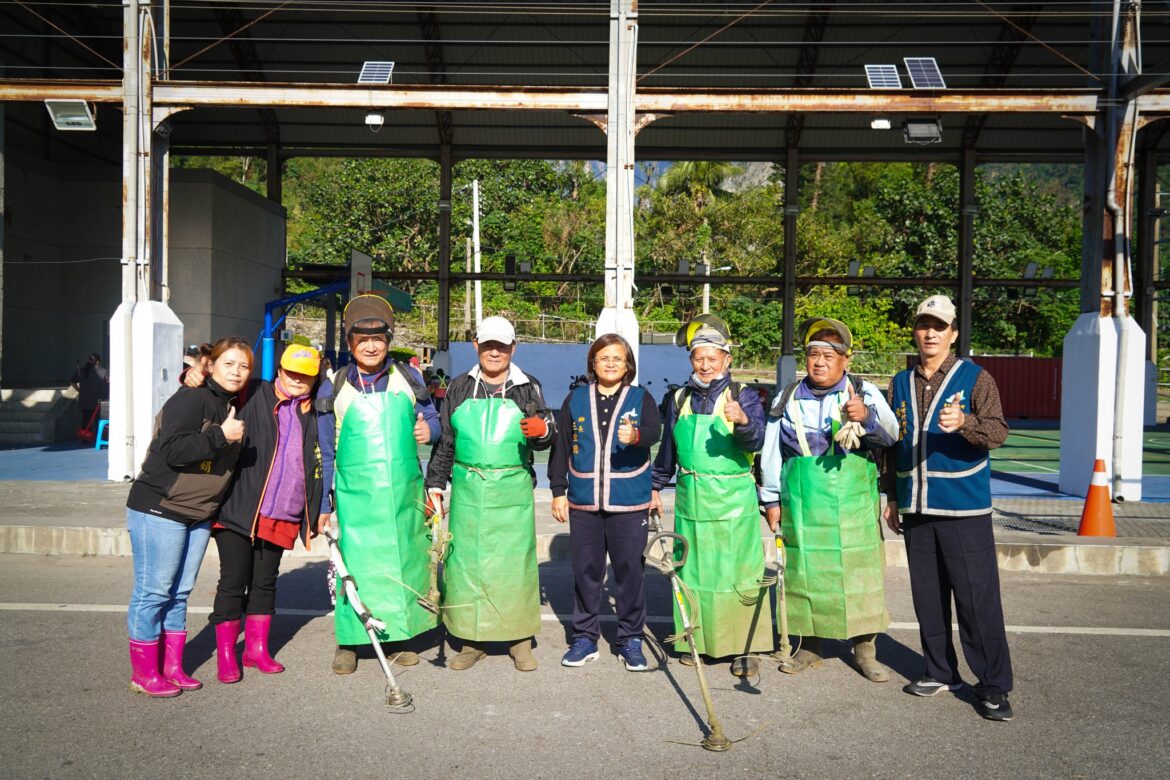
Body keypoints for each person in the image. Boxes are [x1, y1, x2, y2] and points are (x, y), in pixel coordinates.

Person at [882, 294, 1014, 721]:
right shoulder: (899, 383)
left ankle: (993, 685)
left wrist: (966, 424)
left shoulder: (976, 378)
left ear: (953, 333)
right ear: (915, 331)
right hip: (917, 507)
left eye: (939, 326)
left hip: (964, 508)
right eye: (924, 325)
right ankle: (940, 670)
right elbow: (893, 444)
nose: (930, 333)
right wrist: (892, 497)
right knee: (928, 597)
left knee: (977, 602)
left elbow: (998, 431)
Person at [759, 318, 898, 681]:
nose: (819, 362)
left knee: (860, 571)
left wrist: (865, 418)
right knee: (805, 571)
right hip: (803, 501)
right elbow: (772, 452)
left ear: (845, 360)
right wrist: (771, 499)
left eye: (828, 355)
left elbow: (893, 436)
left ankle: (865, 649)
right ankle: (811, 646)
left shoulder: (864, 392)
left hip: (853, 501)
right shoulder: (787, 396)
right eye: (813, 354)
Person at [317, 294, 441, 675]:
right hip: (355, 498)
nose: (371, 345)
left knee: (404, 562)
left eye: (378, 338)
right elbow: (324, 449)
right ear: (351, 344)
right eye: (361, 339)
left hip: (403, 492)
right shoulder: (334, 386)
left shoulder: (410, 378)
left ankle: (401, 637)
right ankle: (350, 642)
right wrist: (324, 505)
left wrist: (428, 429)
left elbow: (434, 420)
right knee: (353, 566)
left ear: (388, 340)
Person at [424, 316, 556, 671]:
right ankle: (471, 639)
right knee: (466, 564)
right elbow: (447, 441)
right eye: (488, 346)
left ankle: (519, 640)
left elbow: (548, 435)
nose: (494, 352)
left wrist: (542, 431)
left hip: (512, 491)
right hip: (468, 490)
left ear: (513, 349)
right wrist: (434, 484)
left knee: (515, 566)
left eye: (502, 346)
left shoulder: (528, 387)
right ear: (476, 347)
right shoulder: (459, 387)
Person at [123, 337, 252, 697]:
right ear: (209, 365)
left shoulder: (231, 402)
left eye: (243, 366)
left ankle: (172, 667)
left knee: (179, 594)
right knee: (154, 592)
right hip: (160, 508)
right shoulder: (192, 398)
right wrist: (220, 435)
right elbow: (173, 450)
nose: (237, 372)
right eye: (228, 364)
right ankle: (143, 673)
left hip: (197, 514)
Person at [651, 317, 772, 677]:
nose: (705, 365)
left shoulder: (744, 394)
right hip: (692, 498)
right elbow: (668, 451)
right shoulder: (678, 398)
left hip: (733, 499)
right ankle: (698, 641)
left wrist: (745, 423)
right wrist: (655, 486)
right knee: (696, 570)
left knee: (740, 574)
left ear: (727, 359)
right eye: (698, 358)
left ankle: (746, 648)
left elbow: (758, 442)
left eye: (712, 358)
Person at [209, 345, 330, 684]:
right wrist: (193, 373)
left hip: (284, 511)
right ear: (279, 370)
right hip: (241, 507)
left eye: (305, 376)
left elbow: (323, 461)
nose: (297, 380)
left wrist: (320, 507)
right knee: (233, 582)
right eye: (291, 372)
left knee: (265, 582)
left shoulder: (316, 411)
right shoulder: (255, 393)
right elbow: (218, 387)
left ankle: (256, 650)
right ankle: (227, 655)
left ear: (314, 378)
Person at [550, 333, 661, 671]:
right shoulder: (576, 399)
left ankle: (630, 639)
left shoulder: (641, 398)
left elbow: (655, 433)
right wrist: (558, 491)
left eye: (617, 358)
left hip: (629, 502)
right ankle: (584, 637)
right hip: (584, 502)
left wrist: (637, 436)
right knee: (586, 572)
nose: (610, 363)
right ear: (593, 363)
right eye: (603, 357)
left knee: (630, 573)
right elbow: (562, 446)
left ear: (628, 365)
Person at [70, 352, 109, 430]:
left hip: (85, 401)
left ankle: (85, 438)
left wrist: (79, 390)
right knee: (99, 422)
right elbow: (106, 385)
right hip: (98, 401)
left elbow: (72, 382)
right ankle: (98, 438)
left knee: (85, 420)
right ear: (98, 362)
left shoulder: (81, 371)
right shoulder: (104, 372)